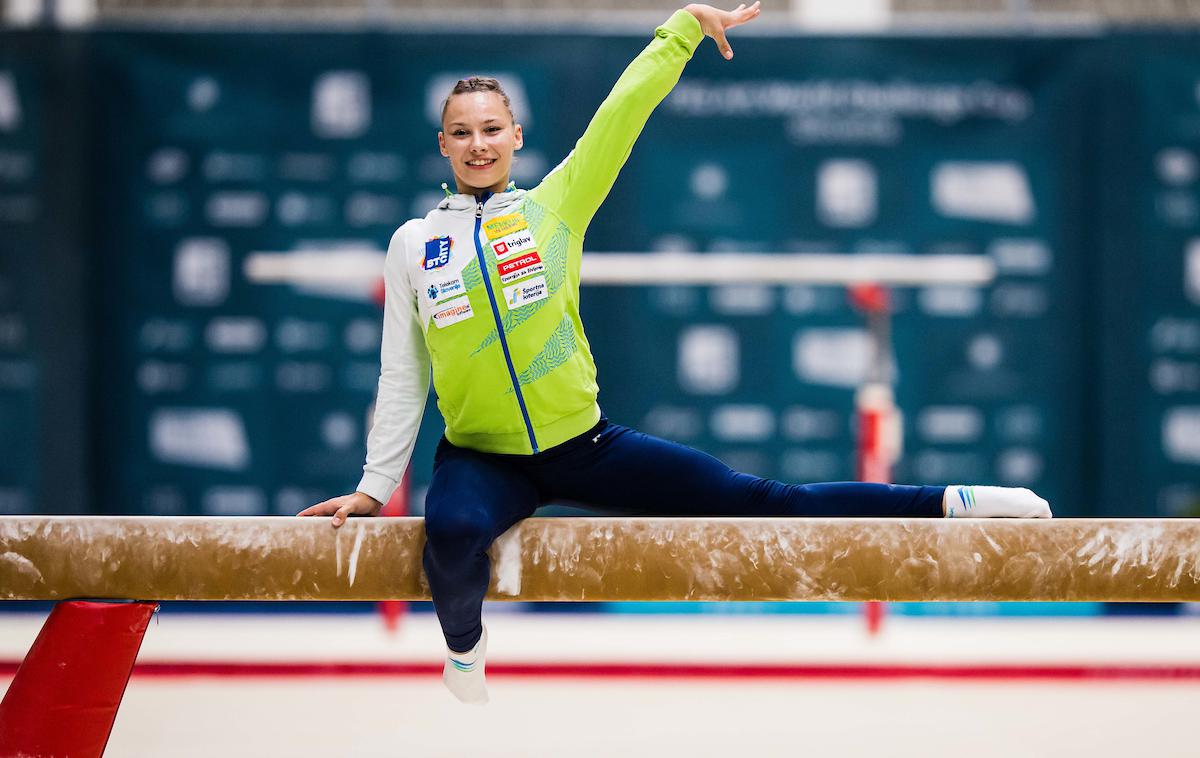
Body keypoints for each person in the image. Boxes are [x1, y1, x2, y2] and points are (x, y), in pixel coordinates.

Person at [299, 1, 1052, 705]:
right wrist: (374, 484)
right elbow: (404, 372)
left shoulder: (554, 206)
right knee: (454, 534)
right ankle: (464, 648)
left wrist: (685, 26)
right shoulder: (414, 246)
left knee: (766, 503)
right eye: (461, 132)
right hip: (480, 459)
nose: (478, 144)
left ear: (516, 137)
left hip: (584, 446)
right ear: (443, 145)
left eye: (492, 128)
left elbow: (621, 113)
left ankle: (952, 502)